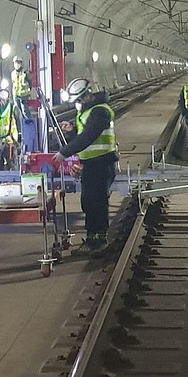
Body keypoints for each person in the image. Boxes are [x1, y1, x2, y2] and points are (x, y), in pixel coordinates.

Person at [60, 78, 117, 253]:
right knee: (89, 202)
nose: (77, 104)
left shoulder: (100, 112)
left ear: (86, 97)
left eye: (78, 100)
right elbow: (83, 133)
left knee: (97, 202)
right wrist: (72, 130)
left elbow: (89, 136)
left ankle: (99, 241)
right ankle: (93, 238)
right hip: (92, 164)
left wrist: (64, 152)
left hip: (101, 163)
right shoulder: (89, 111)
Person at [0, 86, 20, 169]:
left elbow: (20, 123)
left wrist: (17, 140)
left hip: (10, 142)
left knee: (13, 165)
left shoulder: (13, 108)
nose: (3, 99)